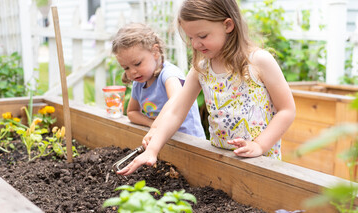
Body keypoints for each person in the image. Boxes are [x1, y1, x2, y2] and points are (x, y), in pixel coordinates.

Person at [116, 0, 296, 176]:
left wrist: (259, 145)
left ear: (228, 25)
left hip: (261, 163)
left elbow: (286, 110)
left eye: (202, 36)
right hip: (221, 160)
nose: (195, 44)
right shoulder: (201, 68)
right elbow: (176, 111)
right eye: (191, 37)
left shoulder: (258, 61)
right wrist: (153, 149)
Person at [111, 23, 206, 139]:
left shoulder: (169, 74)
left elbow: (176, 99)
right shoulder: (138, 84)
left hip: (189, 141)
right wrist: (150, 123)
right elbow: (131, 112)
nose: (132, 72)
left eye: (137, 64)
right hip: (163, 140)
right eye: (126, 68)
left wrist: (156, 127)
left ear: (155, 52)